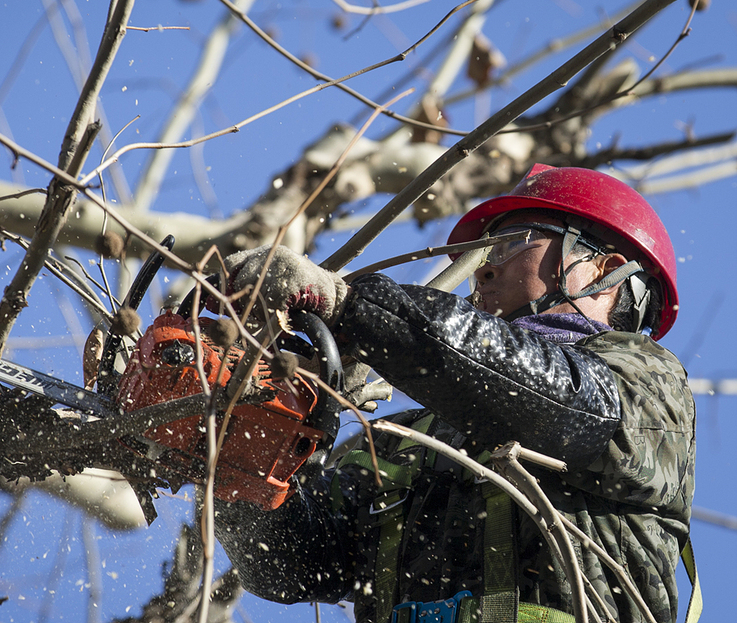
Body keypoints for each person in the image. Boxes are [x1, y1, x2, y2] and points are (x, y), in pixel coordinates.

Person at [210, 165, 696, 623]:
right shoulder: (410, 439)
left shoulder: (648, 385)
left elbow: (558, 400)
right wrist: (241, 444)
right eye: (481, 256)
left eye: (508, 245)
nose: (481, 270)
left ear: (600, 269)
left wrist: (354, 309)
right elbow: (289, 563)